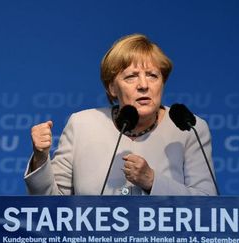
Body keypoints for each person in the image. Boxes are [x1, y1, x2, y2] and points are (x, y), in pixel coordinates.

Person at [24, 33, 217, 196]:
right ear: (112, 88)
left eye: (152, 75)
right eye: (131, 76)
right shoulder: (82, 125)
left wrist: (152, 181)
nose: (143, 85)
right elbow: (51, 208)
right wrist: (40, 158)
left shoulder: (189, 128)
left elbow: (209, 204)